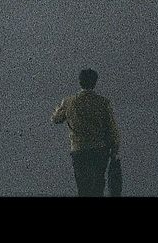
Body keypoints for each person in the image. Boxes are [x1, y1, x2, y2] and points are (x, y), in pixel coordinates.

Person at [52, 68, 123, 197]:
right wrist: (115, 149)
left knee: (83, 186)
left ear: (80, 82)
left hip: (79, 149)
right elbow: (112, 128)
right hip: (100, 149)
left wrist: (60, 107)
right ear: (95, 83)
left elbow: (56, 119)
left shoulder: (69, 101)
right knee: (98, 185)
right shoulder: (103, 102)